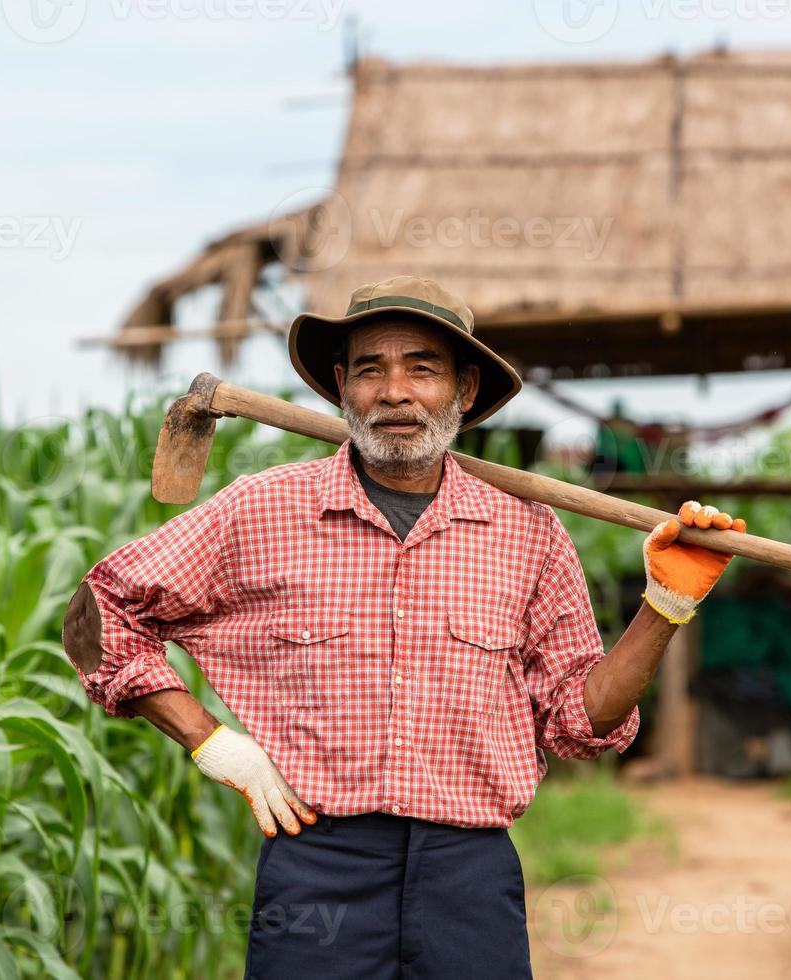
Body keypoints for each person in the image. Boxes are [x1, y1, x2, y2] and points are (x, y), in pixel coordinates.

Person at [61, 275, 746, 977]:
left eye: (422, 368)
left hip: (469, 877)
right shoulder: (260, 511)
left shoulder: (528, 535)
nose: (394, 391)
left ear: (465, 389)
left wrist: (665, 605)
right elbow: (99, 611)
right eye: (370, 369)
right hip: (315, 869)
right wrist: (208, 742)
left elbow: (581, 722)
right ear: (341, 385)